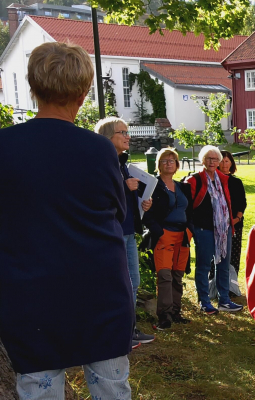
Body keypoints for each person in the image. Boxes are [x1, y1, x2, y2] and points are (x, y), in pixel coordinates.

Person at [0, 41, 138, 400]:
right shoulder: (99, 149)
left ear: (32, 86)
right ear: (84, 92)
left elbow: (2, 205)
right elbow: (116, 208)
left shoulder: (0, 146)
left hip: (29, 294)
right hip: (99, 295)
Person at [95, 116, 155, 347]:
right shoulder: (101, 162)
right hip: (113, 232)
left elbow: (123, 200)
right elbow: (98, 194)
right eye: (123, 132)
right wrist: (123, 186)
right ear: (109, 136)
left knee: (133, 282)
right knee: (119, 282)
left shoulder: (122, 163)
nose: (128, 136)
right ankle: (120, 332)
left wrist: (141, 202)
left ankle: (128, 329)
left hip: (128, 229)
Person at [184, 145, 243, 314]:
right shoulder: (194, 180)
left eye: (215, 159)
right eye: (209, 158)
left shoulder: (223, 179)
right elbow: (188, 206)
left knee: (224, 265)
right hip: (203, 229)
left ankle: (224, 300)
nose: (212, 162)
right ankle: (205, 302)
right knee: (203, 266)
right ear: (203, 160)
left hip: (224, 229)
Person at [144, 148, 194, 331]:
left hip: (183, 236)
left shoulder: (182, 187)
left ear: (177, 165)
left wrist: (190, 230)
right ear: (158, 164)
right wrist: (159, 231)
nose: (168, 163)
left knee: (177, 276)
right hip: (164, 235)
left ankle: (175, 312)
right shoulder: (152, 186)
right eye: (164, 160)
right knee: (164, 276)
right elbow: (145, 213)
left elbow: (190, 211)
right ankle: (164, 316)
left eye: (172, 160)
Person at [220, 150, 247, 275]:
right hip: (217, 225)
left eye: (227, 161)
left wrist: (237, 218)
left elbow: (242, 203)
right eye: (221, 161)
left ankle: (232, 285)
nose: (224, 164)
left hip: (235, 223)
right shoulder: (213, 180)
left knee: (233, 255)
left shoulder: (237, 182)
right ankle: (215, 284)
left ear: (231, 163)